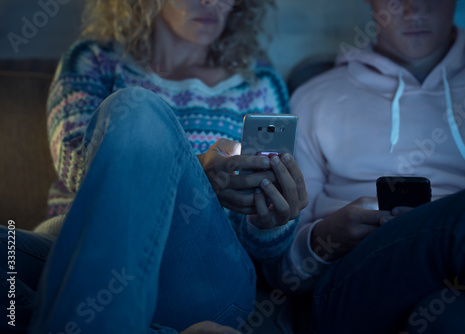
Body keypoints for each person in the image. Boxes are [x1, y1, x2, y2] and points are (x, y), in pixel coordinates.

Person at [0, 0, 308, 333]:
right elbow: (75, 166)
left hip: (199, 274)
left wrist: (272, 222)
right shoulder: (92, 60)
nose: (211, 3)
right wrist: (186, 172)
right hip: (73, 243)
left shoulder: (258, 82)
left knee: (136, 108)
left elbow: (264, 251)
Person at [265, 0, 465, 333]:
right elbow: (281, 266)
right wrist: (329, 236)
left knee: (455, 321)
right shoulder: (314, 97)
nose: (415, 9)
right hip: (354, 281)